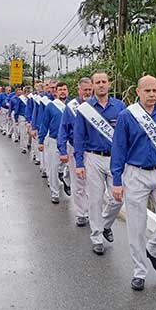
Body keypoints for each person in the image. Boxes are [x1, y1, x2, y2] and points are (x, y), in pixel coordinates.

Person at [111, 76, 156, 292]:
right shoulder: (127, 116)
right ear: (138, 91)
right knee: (136, 227)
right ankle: (139, 272)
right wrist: (117, 180)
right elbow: (119, 149)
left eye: (155, 90)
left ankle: (154, 250)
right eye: (147, 90)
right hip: (135, 173)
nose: (151, 94)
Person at [73, 71, 126, 255]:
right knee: (95, 199)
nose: (101, 85)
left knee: (117, 198)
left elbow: (126, 135)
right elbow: (78, 137)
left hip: (115, 158)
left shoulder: (120, 107)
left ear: (109, 84)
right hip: (93, 157)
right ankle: (96, 237)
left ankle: (105, 224)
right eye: (98, 82)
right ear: (93, 85)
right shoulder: (85, 109)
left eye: (104, 81)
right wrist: (79, 163)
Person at [58, 77, 93, 227]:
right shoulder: (71, 107)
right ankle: (81, 213)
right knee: (78, 182)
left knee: (92, 184)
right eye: (84, 90)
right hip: (74, 148)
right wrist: (62, 150)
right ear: (78, 90)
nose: (87, 92)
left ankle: (92, 211)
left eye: (89, 90)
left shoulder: (96, 106)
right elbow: (63, 130)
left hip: (93, 151)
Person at [38, 81, 69, 204]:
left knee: (68, 167)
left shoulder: (72, 106)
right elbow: (44, 124)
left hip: (69, 141)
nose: (62, 92)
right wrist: (40, 140)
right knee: (53, 168)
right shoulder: (51, 106)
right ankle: (55, 193)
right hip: (54, 140)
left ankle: (65, 180)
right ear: (56, 92)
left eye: (64, 89)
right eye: (60, 90)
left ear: (67, 91)